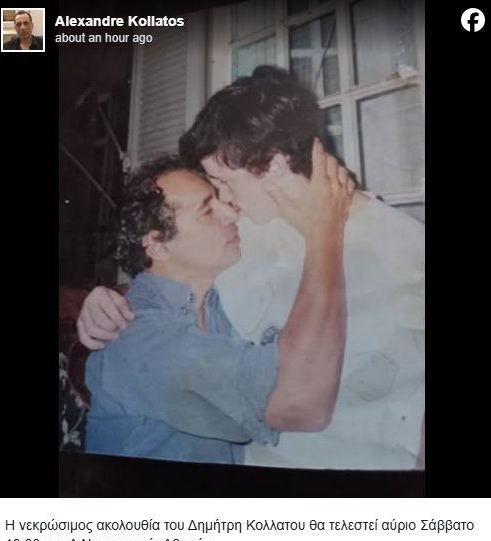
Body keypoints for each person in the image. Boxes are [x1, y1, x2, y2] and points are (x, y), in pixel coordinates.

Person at [79, 66, 424, 470]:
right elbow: (170, 277)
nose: (226, 203)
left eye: (223, 181)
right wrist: (103, 301)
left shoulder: (405, 247)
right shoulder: (246, 232)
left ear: (272, 165)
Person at [84, 146, 354, 463]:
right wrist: (324, 233)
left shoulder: (213, 294)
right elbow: (302, 404)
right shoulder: (142, 338)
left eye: (219, 199)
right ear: (157, 245)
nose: (230, 213)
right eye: (207, 211)